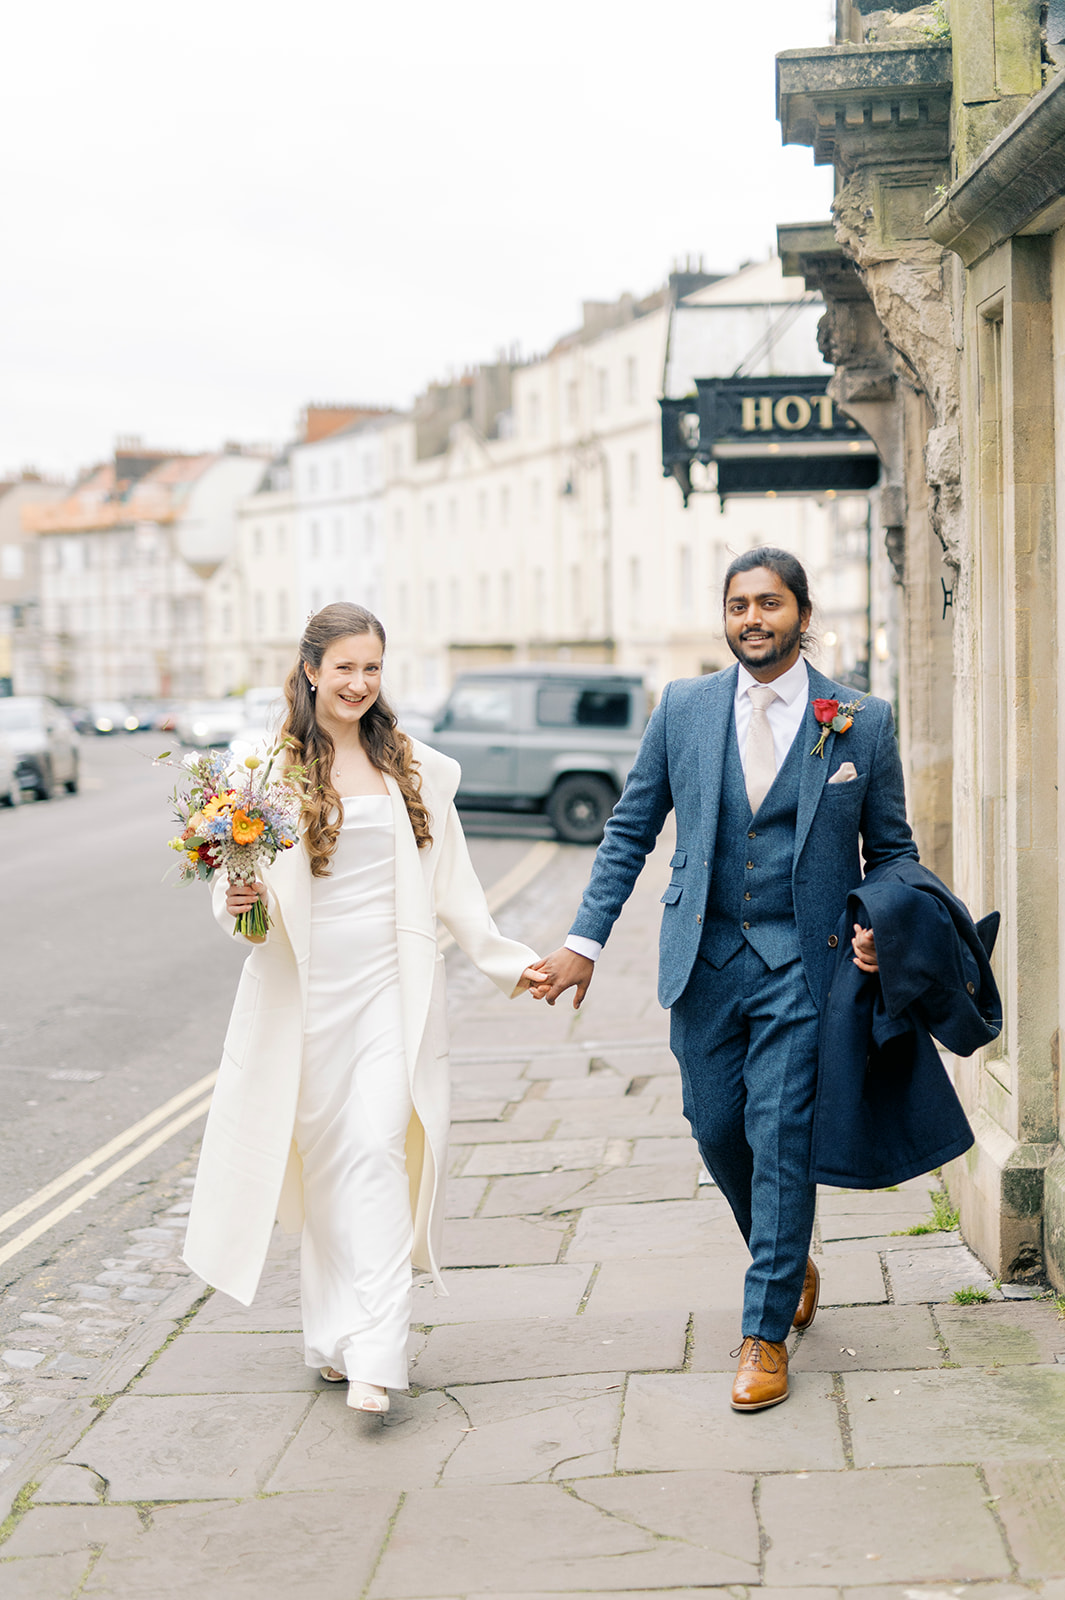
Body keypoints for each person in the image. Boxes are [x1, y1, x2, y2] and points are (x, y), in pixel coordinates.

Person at [527, 548, 918, 1411]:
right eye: (738, 604)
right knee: (715, 1126)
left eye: (769, 604)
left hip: (804, 968)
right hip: (703, 962)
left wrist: (876, 927)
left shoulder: (860, 719)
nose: (752, 618)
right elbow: (628, 830)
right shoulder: (684, 709)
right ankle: (789, 1259)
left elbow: (891, 852)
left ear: (801, 614)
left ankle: (763, 1333)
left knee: (781, 1136)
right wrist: (581, 944)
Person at [183, 603, 541, 1413]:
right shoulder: (261, 771)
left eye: (371, 667)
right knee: (328, 1168)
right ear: (310, 669)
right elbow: (241, 913)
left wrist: (514, 966)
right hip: (302, 1001)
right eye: (343, 666)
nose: (358, 682)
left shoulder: (413, 766)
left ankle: (379, 1351)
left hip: (390, 991)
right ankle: (333, 1336)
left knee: (378, 1149)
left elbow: (456, 891)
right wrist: (240, 896)